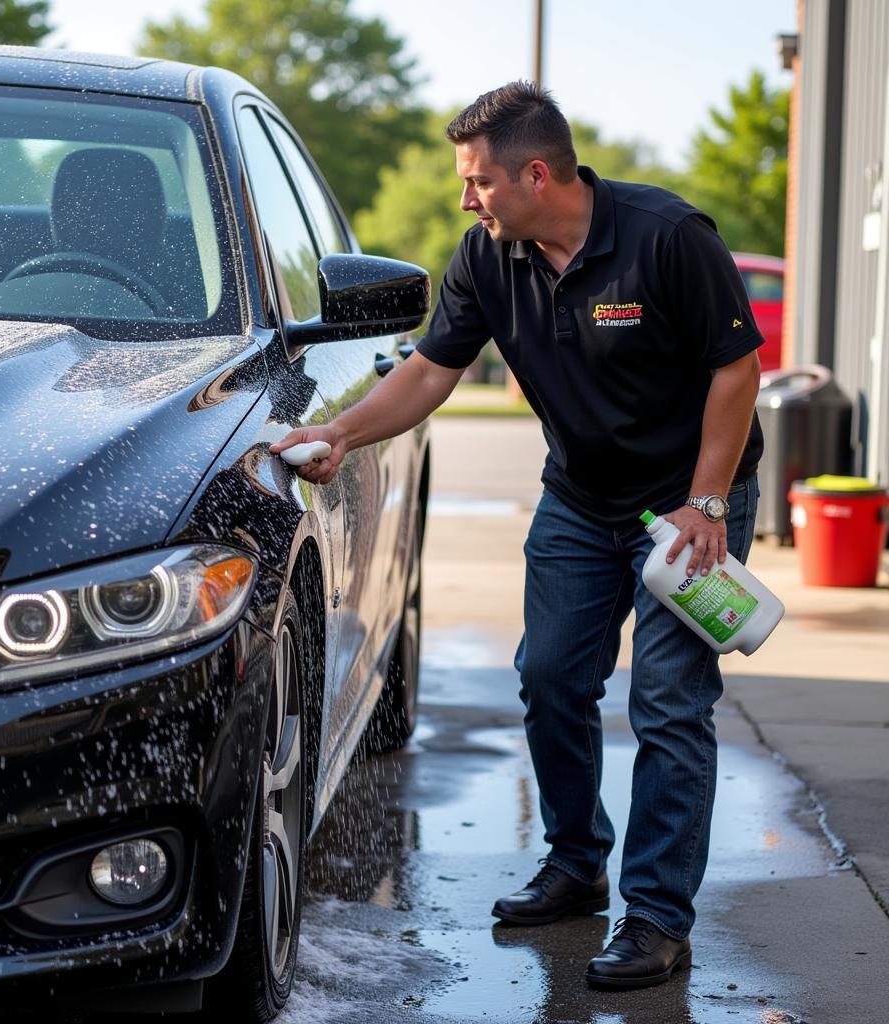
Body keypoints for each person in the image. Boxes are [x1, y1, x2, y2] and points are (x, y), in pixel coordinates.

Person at [270, 81, 763, 991]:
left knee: (667, 700)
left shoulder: (665, 237)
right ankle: (577, 863)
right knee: (548, 678)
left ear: (536, 173)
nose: (468, 198)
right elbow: (428, 372)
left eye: (478, 181)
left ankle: (655, 916)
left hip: (688, 501)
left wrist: (708, 501)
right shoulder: (486, 258)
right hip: (581, 501)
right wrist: (338, 434)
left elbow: (738, 369)